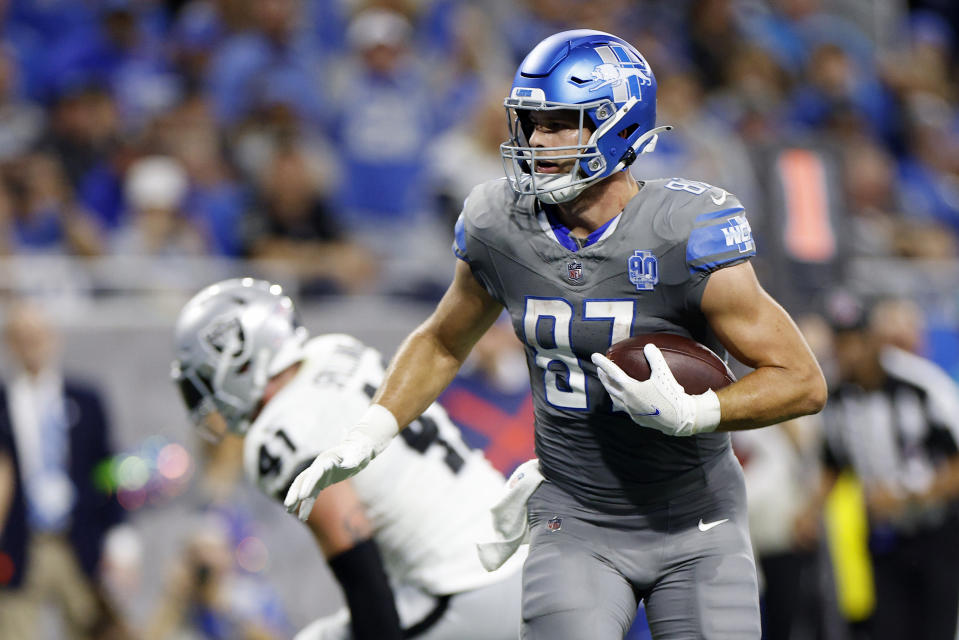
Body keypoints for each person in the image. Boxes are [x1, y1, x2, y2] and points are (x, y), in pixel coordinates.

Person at [284, 29, 827, 639]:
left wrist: (698, 412)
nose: (538, 142)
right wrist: (371, 429)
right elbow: (443, 340)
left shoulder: (684, 230)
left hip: (694, 523)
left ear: (617, 125)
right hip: (575, 518)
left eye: (561, 124)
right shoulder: (499, 224)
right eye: (531, 124)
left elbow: (802, 382)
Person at [170, 278, 525, 640]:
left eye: (207, 376)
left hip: (464, 587)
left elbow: (360, 571)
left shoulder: (277, 434)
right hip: (522, 557)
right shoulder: (336, 350)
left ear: (241, 362)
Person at [817, 296, 959, 640]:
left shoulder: (920, 384)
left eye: (855, 342)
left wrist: (911, 496)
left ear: (873, 340)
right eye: (841, 343)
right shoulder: (836, 398)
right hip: (883, 536)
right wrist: (809, 513)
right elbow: (834, 466)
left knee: (934, 629)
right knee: (889, 628)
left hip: (935, 530)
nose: (848, 353)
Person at [0, 299, 128, 640]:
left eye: (37, 335)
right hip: (20, 542)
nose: (32, 344)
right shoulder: (2, 401)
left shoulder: (85, 399)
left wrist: (119, 535)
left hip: (77, 538)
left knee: (89, 625)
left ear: (54, 338)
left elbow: (106, 467)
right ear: (10, 343)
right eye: (22, 336)